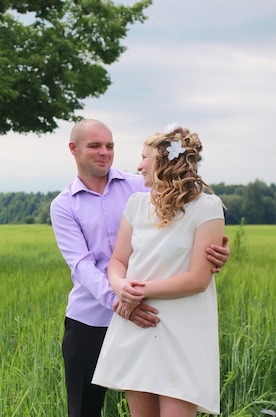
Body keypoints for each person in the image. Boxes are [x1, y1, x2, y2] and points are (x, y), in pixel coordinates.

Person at [49, 119, 229, 417]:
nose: (104, 152)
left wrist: (218, 251)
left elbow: (188, 226)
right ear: (74, 149)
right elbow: (82, 265)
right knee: (83, 410)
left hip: (154, 315)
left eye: (109, 146)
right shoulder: (64, 205)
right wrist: (120, 298)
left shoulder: (141, 187)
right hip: (92, 318)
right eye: (95, 146)